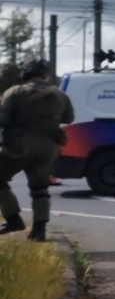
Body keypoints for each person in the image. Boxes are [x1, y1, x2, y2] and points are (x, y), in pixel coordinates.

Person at [0, 59, 75, 242]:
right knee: (40, 188)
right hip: (48, 146)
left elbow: (2, 118)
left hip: (20, 145)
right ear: (45, 74)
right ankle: (39, 229)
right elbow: (69, 118)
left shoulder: (15, 92)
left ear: (25, 74)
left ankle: (13, 218)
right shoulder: (59, 95)